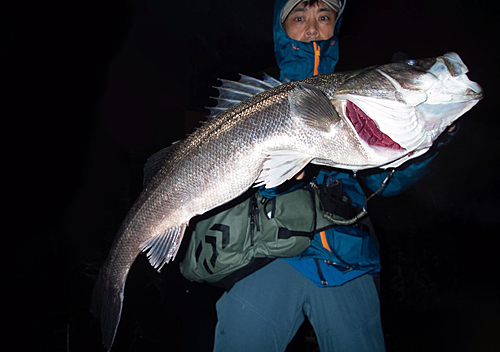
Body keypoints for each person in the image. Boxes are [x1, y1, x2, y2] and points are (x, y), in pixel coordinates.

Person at [181, 1, 452, 351]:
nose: (312, 28)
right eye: (299, 18)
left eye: (323, 17)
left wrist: (428, 144)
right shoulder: (254, 100)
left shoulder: (363, 94)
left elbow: (385, 183)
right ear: (282, 29)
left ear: (335, 26)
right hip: (265, 256)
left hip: (348, 257)